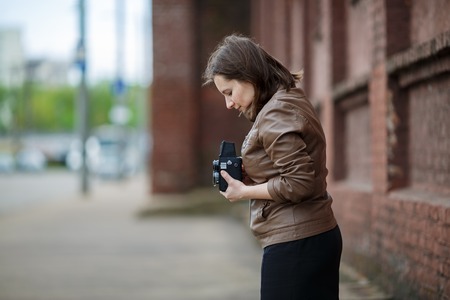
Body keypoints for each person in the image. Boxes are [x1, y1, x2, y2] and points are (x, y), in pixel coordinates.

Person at [203, 34, 342, 300]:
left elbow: (300, 182)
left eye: (229, 92)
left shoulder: (276, 112)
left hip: (296, 243)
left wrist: (243, 192)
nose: (229, 103)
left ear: (248, 75)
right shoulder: (286, 100)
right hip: (310, 236)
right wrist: (253, 172)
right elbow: (293, 169)